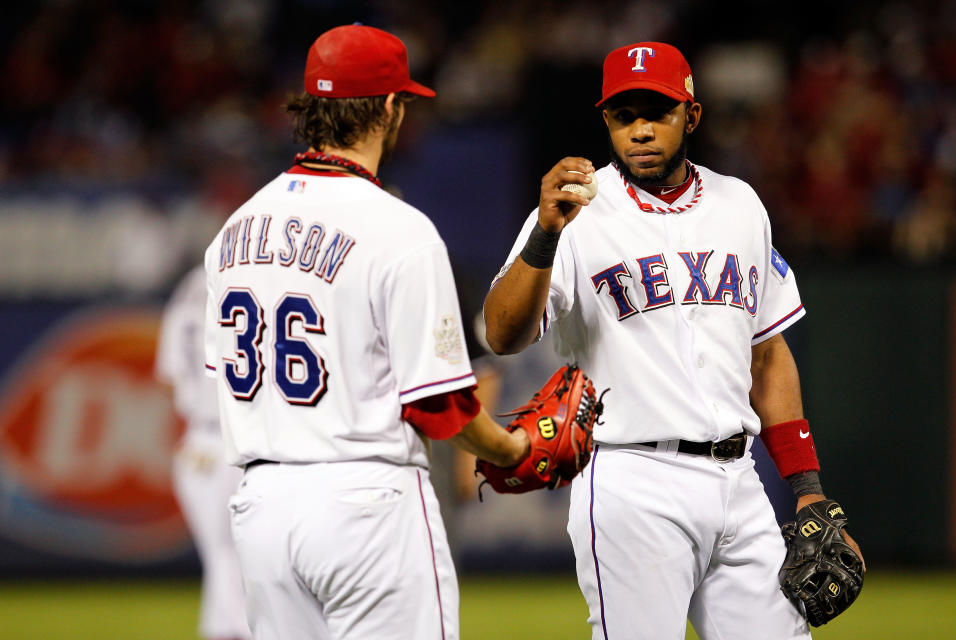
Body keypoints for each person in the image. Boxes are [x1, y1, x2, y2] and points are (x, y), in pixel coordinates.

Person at [483, 42, 864, 640]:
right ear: (605, 119)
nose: (639, 130)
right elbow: (502, 334)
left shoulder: (740, 204)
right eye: (623, 114)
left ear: (691, 115)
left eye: (656, 112)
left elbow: (766, 357)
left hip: (740, 481)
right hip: (632, 481)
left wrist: (808, 488)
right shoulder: (572, 212)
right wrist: (544, 235)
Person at [202, 25, 529, 640]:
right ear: (385, 107)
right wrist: (511, 450)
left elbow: (225, 379)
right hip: (366, 504)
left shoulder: (234, 233)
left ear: (311, 108)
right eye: (402, 101)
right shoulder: (399, 230)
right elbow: (439, 406)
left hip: (262, 511)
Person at [155, 265, 251, 640]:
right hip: (241, 445)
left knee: (221, 560)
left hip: (198, 446)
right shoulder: (252, 283)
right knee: (234, 560)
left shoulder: (186, 294)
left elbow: (167, 379)